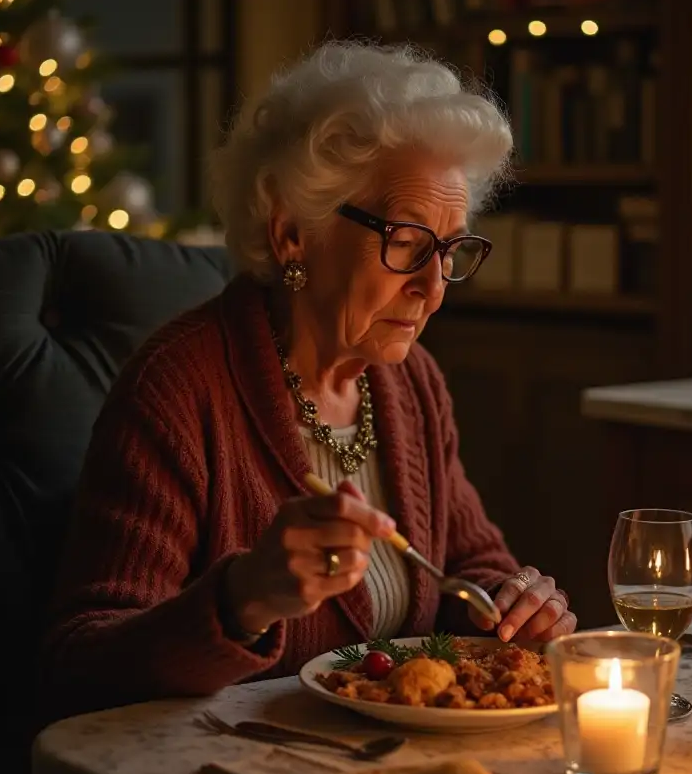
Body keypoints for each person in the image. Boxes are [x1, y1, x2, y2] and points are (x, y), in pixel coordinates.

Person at [38, 41, 576, 722]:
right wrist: (241, 601)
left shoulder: (411, 383)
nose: (433, 287)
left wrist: (511, 602)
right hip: (230, 771)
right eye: (406, 243)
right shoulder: (178, 391)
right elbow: (79, 663)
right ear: (292, 234)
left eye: (450, 250)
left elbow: (468, 565)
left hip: (382, 764)